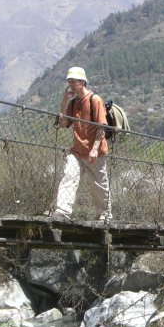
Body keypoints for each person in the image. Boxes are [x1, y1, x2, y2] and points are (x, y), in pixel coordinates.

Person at [50, 67, 112, 223]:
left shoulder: (94, 100)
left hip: (95, 152)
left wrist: (94, 149)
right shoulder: (72, 103)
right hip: (77, 151)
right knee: (69, 176)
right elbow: (64, 123)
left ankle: (104, 215)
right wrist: (64, 101)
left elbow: (101, 126)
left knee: (98, 184)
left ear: (82, 82)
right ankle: (62, 211)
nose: (71, 84)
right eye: (69, 81)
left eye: (73, 81)